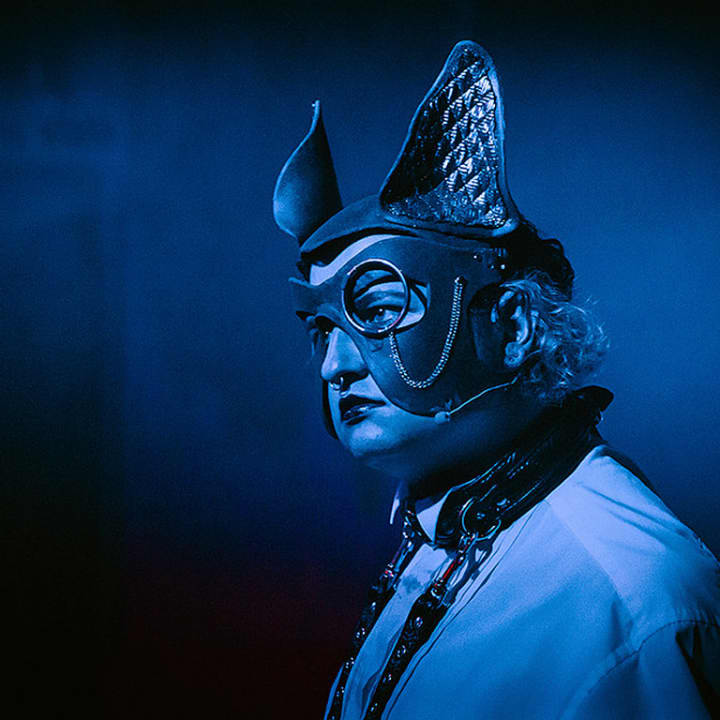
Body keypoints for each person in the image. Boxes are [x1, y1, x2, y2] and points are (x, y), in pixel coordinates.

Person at [273, 42, 720, 719]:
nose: (335, 364)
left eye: (378, 308)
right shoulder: (443, 531)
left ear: (510, 327)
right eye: (320, 329)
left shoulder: (633, 605)